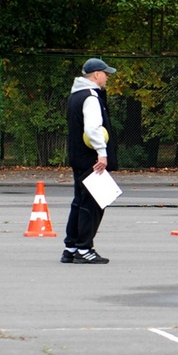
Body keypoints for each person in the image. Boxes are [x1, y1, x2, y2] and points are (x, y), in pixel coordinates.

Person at [62, 58, 118, 265]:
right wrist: (102, 154)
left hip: (78, 156)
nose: (107, 77)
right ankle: (84, 248)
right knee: (93, 203)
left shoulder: (75, 95)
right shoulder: (91, 97)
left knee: (79, 201)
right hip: (91, 158)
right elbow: (93, 129)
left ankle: (71, 247)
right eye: (105, 73)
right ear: (96, 75)